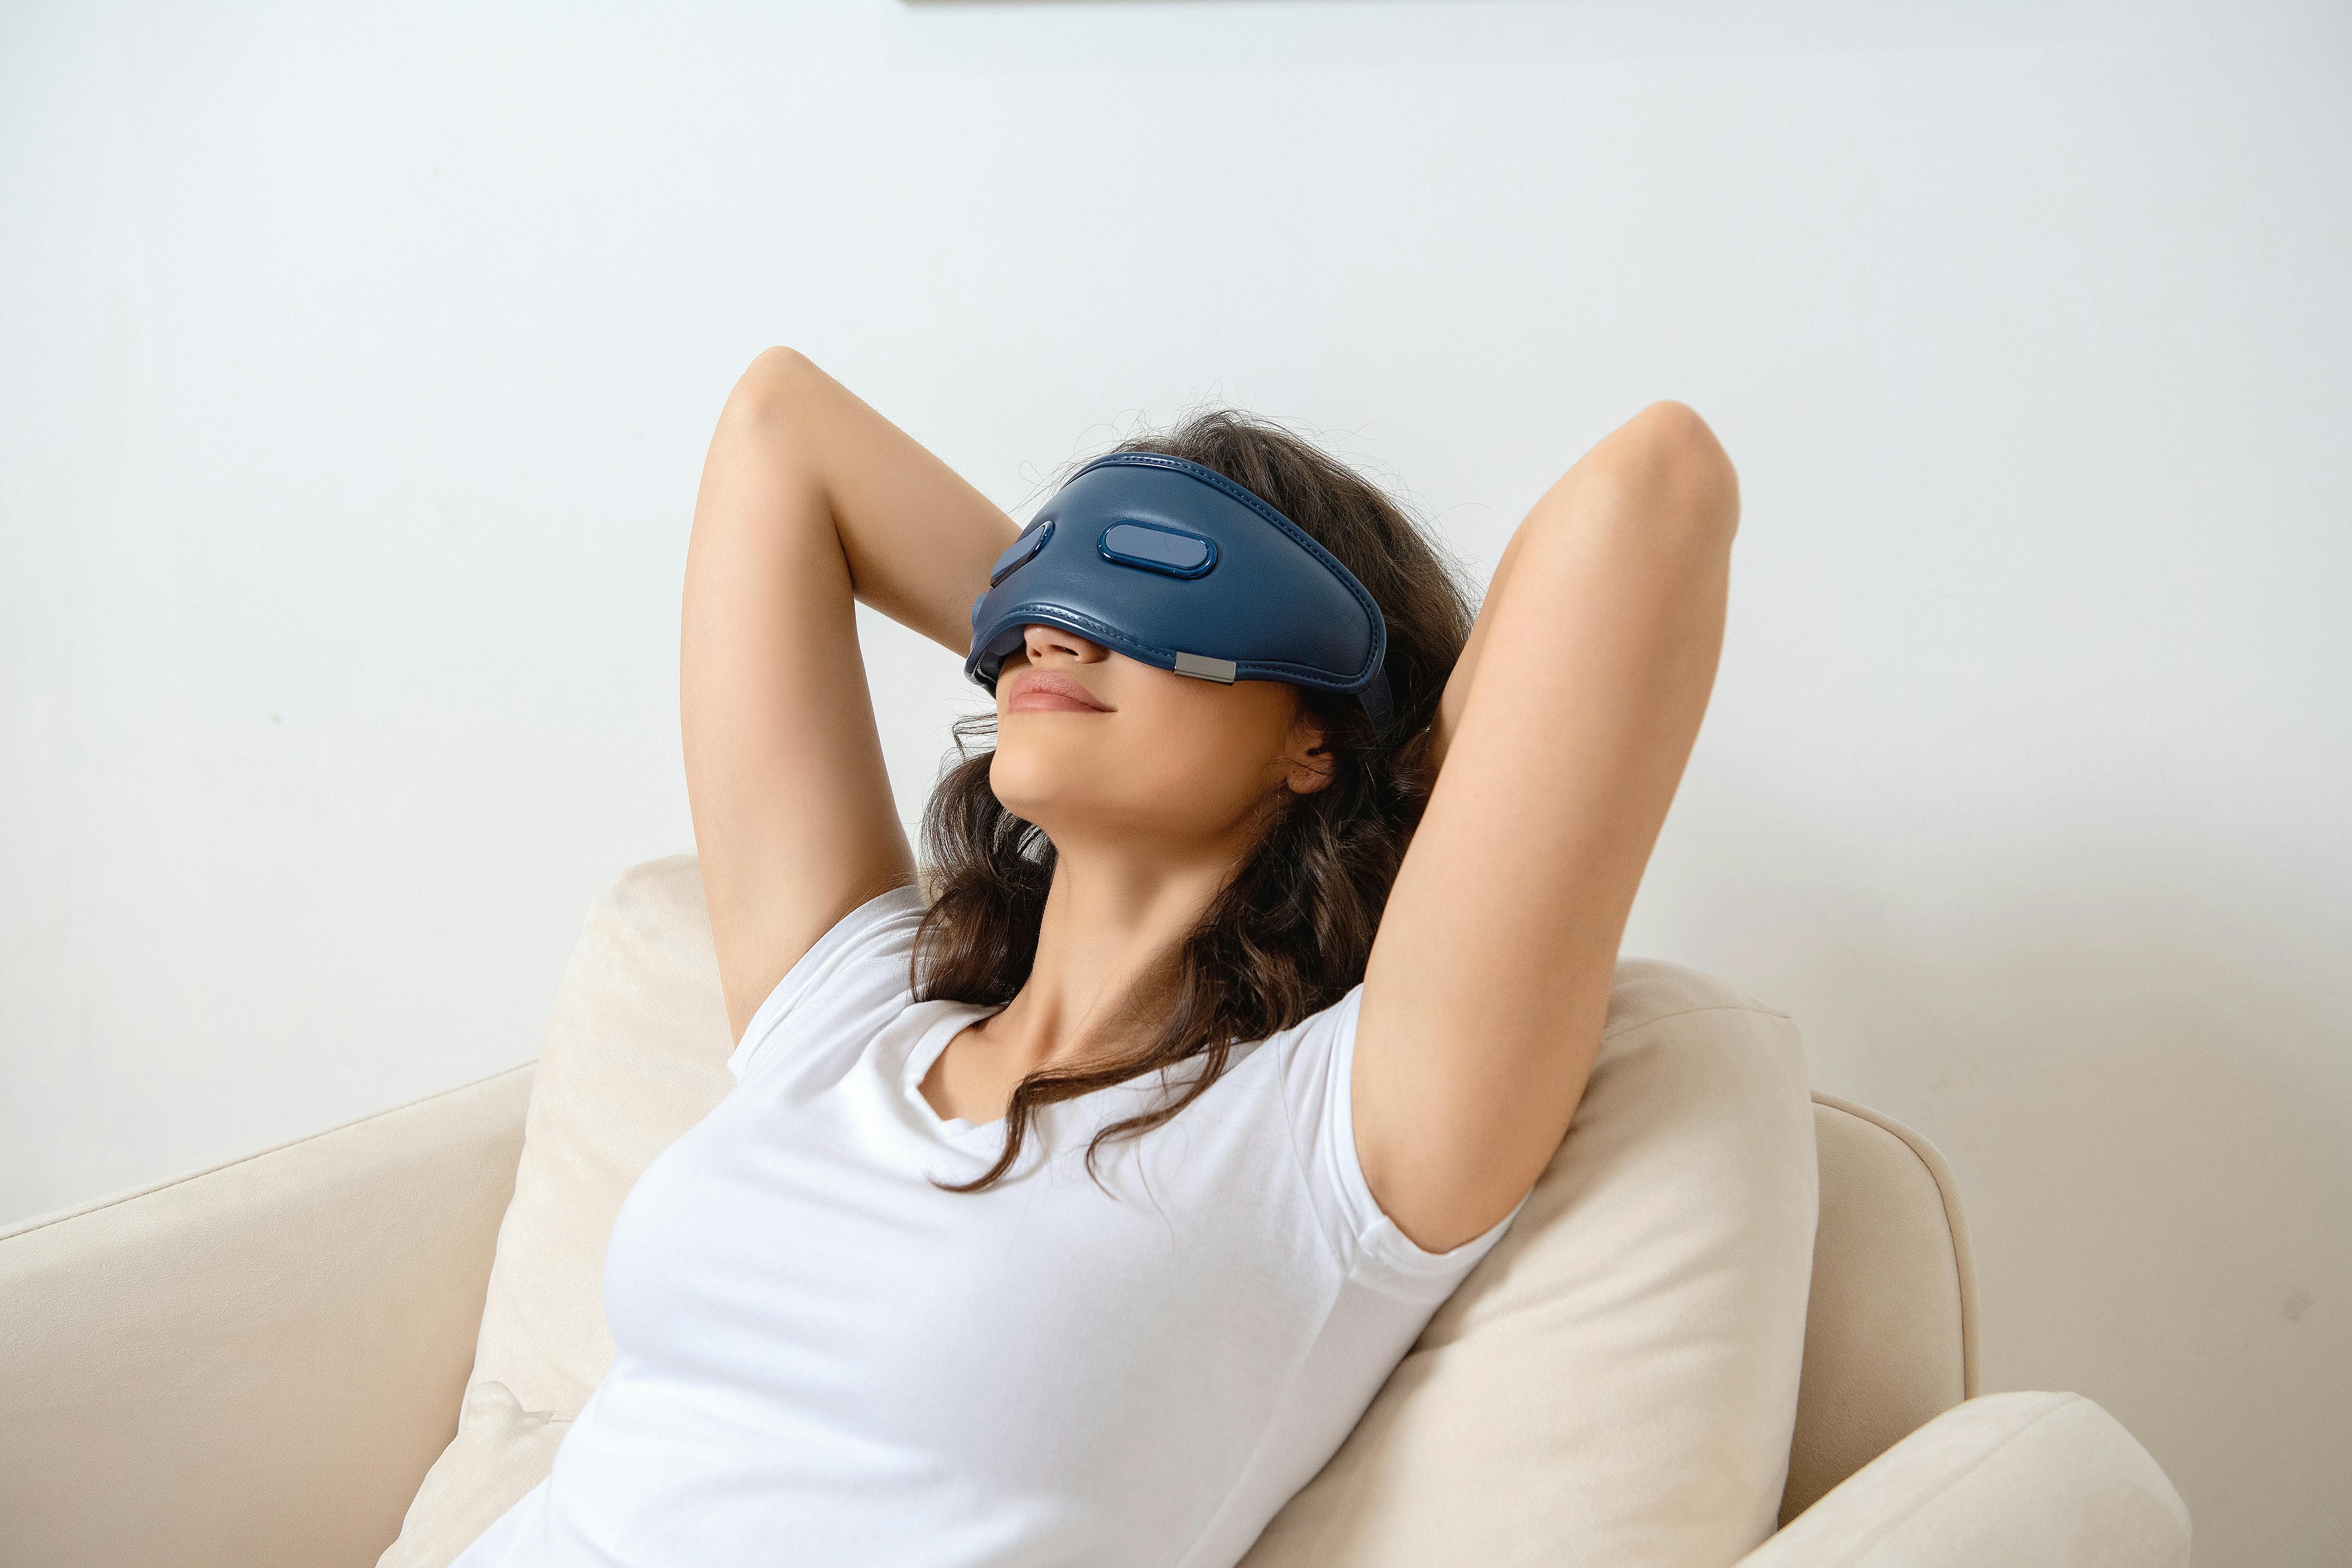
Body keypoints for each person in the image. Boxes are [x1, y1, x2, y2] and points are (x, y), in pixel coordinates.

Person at [449, 348, 1739, 1567]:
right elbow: (776, 425)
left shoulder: (1326, 1142)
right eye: (1038, 597)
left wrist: (1384, 762)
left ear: (1314, 734)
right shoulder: (850, 1013)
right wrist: (1097, 619)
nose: (1053, 634)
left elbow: (1657, 486)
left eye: (1169, 580)